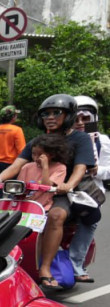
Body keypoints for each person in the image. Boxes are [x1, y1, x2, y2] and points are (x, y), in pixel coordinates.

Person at [0, 94, 97, 290]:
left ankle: (45, 268)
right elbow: (17, 165)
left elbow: (80, 167)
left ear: (69, 115)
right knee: (1, 213)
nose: (51, 117)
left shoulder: (80, 138)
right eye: (46, 114)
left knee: (56, 216)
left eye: (56, 113)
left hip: (62, 193)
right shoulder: (38, 141)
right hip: (34, 192)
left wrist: (68, 185)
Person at [69, 96, 110, 283]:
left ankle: (76, 265)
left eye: (85, 119)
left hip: (89, 192)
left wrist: (96, 170)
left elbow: (108, 171)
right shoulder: (63, 136)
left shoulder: (102, 141)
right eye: (76, 118)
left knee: (89, 223)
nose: (80, 123)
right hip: (62, 190)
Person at [15, 133, 71, 212]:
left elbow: (46, 186)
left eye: (40, 155)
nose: (36, 158)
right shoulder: (27, 167)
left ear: (52, 154)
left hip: (43, 207)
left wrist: (45, 167)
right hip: (24, 206)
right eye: (33, 154)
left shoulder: (60, 168)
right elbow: (18, 187)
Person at [0, 105, 27, 182]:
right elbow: (21, 150)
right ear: (13, 117)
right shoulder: (17, 130)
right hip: (10, 164)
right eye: (16, 115)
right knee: (11, 188)